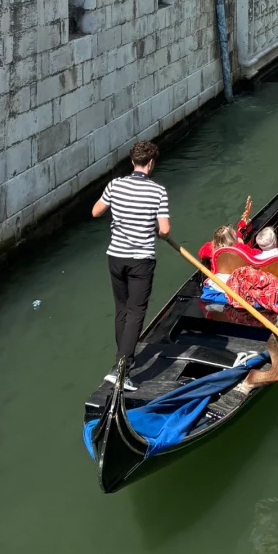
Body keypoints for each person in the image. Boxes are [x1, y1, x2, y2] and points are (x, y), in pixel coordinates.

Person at [92, 140, 169, 391]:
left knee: (122, 311)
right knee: (136, 313)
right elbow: (165, 230)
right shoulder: (158, 192)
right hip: (140, 261)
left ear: (132, 161)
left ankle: (120, 364)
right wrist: (156, 229)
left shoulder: (115, 185)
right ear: (151, 163)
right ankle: (121, 369)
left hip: (115, 257)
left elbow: (96, 212)